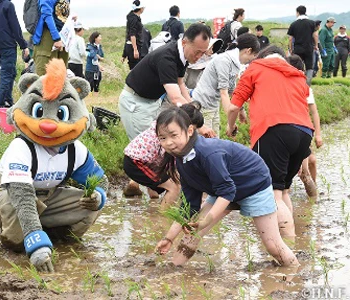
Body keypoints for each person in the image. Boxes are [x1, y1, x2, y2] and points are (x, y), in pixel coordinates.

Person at [0, 59, 107, 273]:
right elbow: (22, 197)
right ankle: (23, 239)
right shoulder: (21, 147)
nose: (48, 124)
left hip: (47, 199)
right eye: (40, 112)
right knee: (18, 213)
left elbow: (101, 181)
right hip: (2, 197)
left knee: (89, 203)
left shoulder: (76, 150)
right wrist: (35, 241)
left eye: (60, 114)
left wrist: (97, 197)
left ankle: (55, 235)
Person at [154, 106, 299, 268]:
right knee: (191, 235)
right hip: (224, 188)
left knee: (273, 245)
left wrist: (206, 221)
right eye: (163, 138)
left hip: (253, 185)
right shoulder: (182, 160)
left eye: (173, 135)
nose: (169, 143)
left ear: (189, 131)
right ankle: (173, 270)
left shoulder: (208, 153)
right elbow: (188, 207)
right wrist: (168, 239)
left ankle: (294, 272)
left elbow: (227, 192)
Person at [227, 45, 314, 238]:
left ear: (261, 58)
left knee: (273, 192)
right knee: (283, 191)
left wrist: (229, 127)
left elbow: (233, 107)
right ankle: (291, 241)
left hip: (273, 130)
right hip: (304, 133)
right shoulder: (298, 75)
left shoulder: (255, 69)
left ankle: (287, 247)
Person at [118, 23, 214, 142]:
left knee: (159, 144)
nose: (199, 56)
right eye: (197, 52)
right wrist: (198, 125)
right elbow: (175, 98)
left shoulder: (183, 56)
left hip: (153, 102)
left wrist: (193, 108)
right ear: (184, 42)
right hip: (137, 103)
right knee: (147, 148)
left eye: (203, 53)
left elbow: (180, 84)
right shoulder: (167, 57)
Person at [123, 102, 203, 202]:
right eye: (191, 130)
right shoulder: (170, 135)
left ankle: (153, 207)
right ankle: (163, 217)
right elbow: (175, 164)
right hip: (136, 162)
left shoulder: (165, 123)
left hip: (142, 159)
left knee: (159, 187)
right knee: (174, 187)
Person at [191, 33, 260, 137]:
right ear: (248, 50)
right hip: (203, 104)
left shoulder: (235, 62)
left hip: (213, 104)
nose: (251, 60)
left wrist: (241, 110)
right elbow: (224, 92)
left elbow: (232, 89)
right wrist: (230, 122)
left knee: (214, 139)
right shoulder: (224, 60)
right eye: (254, 56)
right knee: (206, 141)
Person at [287, 55, 323, 197]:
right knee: (290, 168)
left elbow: (314, 113)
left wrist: (318, 135)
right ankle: (285, 194)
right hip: (288, 132)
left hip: (302, 130)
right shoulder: (282, 88)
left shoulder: (305, 88)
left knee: (310, 163)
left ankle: (313, 196)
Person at [0, 0, 29, 108]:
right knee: (7, 75)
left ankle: (8, 101)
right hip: (7, 46)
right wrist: (23, 45)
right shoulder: (8, 5)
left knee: (10, 72)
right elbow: (15, 27)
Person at [33, 0, 71, 76]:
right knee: (44, 76)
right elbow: (46, 14)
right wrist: (56, 38)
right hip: (47, 35)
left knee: (61, 75)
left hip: (63, 37)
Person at [287, 5, 319, 85]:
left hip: (298, 49)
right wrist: (316, 46)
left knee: (297, 66)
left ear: (297, 12)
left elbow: (290, 39)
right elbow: (315, 35)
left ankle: (297, 83)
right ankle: (307, 85)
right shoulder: (312, 23)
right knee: (309, 67)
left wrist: (291, 49)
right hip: (308, 48)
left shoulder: (294, 24)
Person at [123, 0, 145, 70]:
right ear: (140, 8)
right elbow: (132, 35)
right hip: (133, 47)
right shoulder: (134, 19)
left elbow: (128, 35)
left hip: (132, 46)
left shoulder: (133, 17)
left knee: (136, 69)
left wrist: (124, 54)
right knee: (136, 69)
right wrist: (135, 49)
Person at [85, 31, 104, 96]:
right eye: (99, 37)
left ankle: (96, 99)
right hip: (90, 69)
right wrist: (99, 63)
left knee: (97, 85)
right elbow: (93, 56)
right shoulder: (89, 46)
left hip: (97, 70)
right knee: (90, 86)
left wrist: (98, 57)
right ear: (95, 38)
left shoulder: (99, 46)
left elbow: (101, 56)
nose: (101, 38)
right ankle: (89, 100)